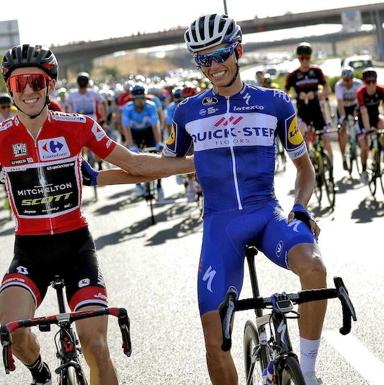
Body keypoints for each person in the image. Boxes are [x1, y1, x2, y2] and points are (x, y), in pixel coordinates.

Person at [0, 44, 193, 385]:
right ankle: (40, 371)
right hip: (30, 251)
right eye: (19, 84)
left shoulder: (79, 127)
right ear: (9, 89)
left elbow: (134, 162)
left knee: (96, 346)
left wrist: (195, 163)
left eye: (36, 83)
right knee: (13, 332)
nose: (28, 90)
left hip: (76, 249)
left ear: (50, 85)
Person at [87, 14, 325, 385]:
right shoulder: (186, 112)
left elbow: (305, 170)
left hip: (267, 214)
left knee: (314, 267)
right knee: (214, 343)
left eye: (219, 55)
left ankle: (308, 373)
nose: (212, 66)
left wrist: (300, 207)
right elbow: (160, 167)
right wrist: (98, 176)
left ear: (239, 51)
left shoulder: (276, 103)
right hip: (220, 226)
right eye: (202, 59)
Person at [284, 42, 334, 173]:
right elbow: (284, 93)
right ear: (298, 58)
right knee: (303, 139)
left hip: (317, 111)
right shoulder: (293, 75)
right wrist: (295, 95)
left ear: (310, 58)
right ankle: (308, 169)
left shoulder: (316, 71)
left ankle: (331, 171)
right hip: (302, 113)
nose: (305, 61)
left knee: (326, 140)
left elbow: (327, 88)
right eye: (302, 58)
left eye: (307, 58)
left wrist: (318, 94)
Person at [120, 84, 165, 202]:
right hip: (135, 133)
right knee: (133, 156)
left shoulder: (151, 106)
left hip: (149, 131)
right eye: (137, 98)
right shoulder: (127, 108)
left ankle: (159, 186)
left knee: (157, 157)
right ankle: (138, 184)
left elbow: (156, 126)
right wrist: (130, 145)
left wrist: (158, 142)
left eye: (142, 98)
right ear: (133, 98)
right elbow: (126, 127)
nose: (140, 101)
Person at [356, 68, 384, 183]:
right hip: (363, 121)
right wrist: (368, 131)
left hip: (376, 118)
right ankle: (363, 170)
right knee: (365, 146)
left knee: (382, 124)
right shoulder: (360, 93)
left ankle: (379, 150)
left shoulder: (381, 90)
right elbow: (364, 113)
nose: (371, 84)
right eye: (368, 82)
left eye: (374, 81)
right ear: (364, 83)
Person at [334, 66, 362, 171]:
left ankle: (357, 141)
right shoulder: (339, 85)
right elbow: (340, 103)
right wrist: (342, 118)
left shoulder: (358, 84)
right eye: (344, 80)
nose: (346, 82)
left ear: (352, 78)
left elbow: (361, 101)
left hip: (354, 106)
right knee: (342, 131)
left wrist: (357, 114)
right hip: (343, 108)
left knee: (358, 123)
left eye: (348, 79)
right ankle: (343, 157)